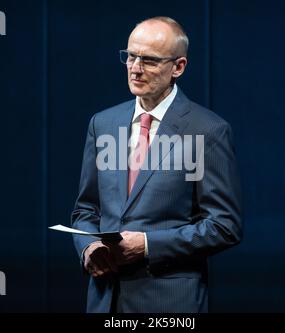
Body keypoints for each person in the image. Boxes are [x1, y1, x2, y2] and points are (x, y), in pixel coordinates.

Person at [71, 16, 242, 313]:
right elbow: (86, 210)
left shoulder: (208, 131)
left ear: (178, 67)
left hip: (169, 302)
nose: (135, 68)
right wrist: (89, 247)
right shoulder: (103, 123)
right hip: (104, 299)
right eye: (130, 56)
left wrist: (148, 244)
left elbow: (224, 226)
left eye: (149, 60)